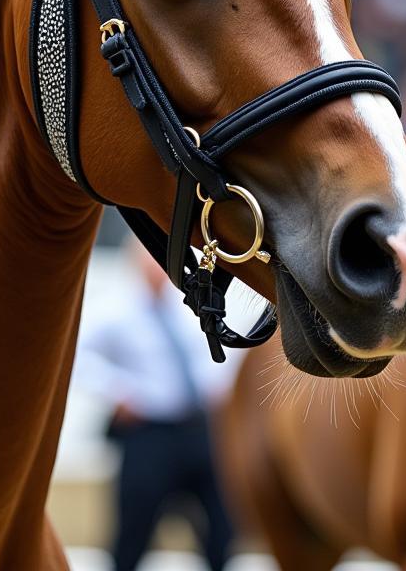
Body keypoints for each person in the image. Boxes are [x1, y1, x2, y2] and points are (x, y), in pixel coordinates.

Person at [76, 237, 244, 571]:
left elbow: (210, 358)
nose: (157, 269)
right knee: (134, 530)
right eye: (150, 261)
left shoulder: (191, 305)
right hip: (149, 434)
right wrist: (118, 392)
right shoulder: (116, 311)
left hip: (198, 429)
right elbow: (79, 356)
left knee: (223, 525)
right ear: (136, 264)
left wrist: (220, 394)